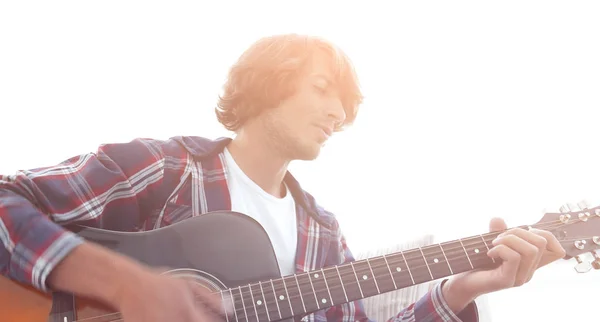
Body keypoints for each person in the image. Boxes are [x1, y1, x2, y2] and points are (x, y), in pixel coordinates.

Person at [0, 33, 566, 322]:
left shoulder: (323, 233)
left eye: (345, 106)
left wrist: (461, 288)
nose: (337, 114)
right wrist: (123, 283)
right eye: (323, 90)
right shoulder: (165, 169)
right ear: (266, 83)